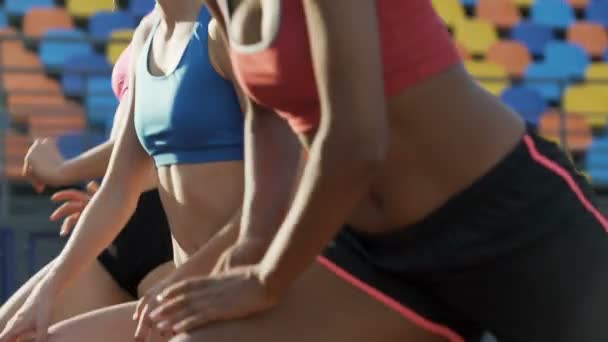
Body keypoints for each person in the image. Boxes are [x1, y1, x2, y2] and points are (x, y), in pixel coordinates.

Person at [137, 1, 608, 341]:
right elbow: (264, 108)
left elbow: (356, 142)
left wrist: (266, 278)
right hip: (370, 251)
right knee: (206, 337)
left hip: (509, 223)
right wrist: (253, 244)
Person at [0, 1, 257, 342]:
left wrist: (64, 169)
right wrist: (46, 291)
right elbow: (120, 188)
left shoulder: (229, 28)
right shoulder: (149, 37)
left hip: (245, 287)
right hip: (187, 285)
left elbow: (279, 193)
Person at [0, 7, 174, 331]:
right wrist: (112, 197)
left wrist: (64, 170)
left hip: (174, 233)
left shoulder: (215, 24)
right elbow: (138, 138)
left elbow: (168, 134)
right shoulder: (155, 21)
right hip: (122, 217)